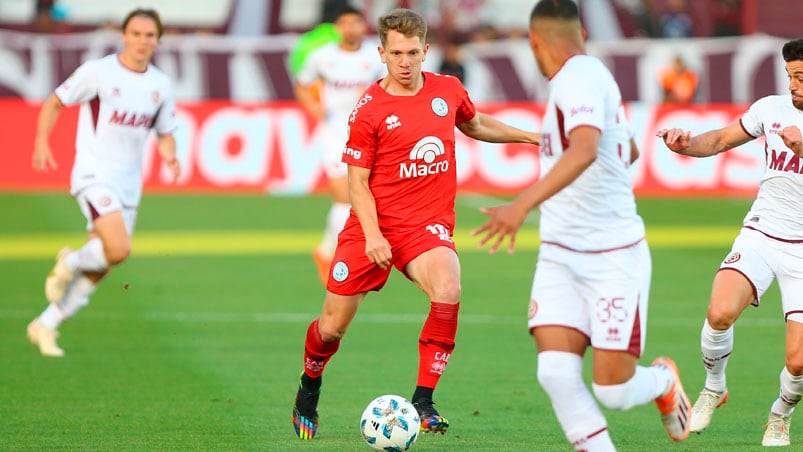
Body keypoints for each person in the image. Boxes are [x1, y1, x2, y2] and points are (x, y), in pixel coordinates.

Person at [291, 8, 539, 440]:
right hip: (372, 226)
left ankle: (423, 400)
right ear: (381, 53)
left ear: (425, 51)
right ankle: (309, 385)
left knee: (449, 289)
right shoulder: (368, 109)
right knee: (331, 329)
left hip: (425, 226)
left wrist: (533, 137)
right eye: (395, 53)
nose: (404, 62)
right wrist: (371, 235)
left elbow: (474, 123)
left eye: (412, 53)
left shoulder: (447, 90)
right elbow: (357, 183)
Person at [472, 1, 691, 449]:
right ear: (583, 34)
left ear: (533, 41)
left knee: (613, 390)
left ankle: (662, 381)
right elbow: (624, 150)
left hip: (611, 257)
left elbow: (586, 148)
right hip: (558, 254)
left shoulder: (578, 79)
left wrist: (521, 205)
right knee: (554, 372)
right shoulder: (591, 77)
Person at [656, 38, 803, 447]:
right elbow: (720, 140)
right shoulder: (770, 109)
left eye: (802, 78)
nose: (793, 86)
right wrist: (688, 146)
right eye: (791, 76)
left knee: (799, 360)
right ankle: (714, 387)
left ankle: (780, 414)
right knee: (719, 312)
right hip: (761, 231)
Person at [27, 8, 179, 357]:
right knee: (119, 248)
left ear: (158, 40)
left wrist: (170, 154)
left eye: (150, 35)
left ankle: (46, 324)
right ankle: (68, 262)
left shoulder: (160, 85)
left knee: (106, 261)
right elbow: (55, 101)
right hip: (94, 175)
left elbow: (165, 131)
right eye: (136, 34)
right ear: (124, 36)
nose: (142, 41)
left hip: (128, 183)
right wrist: (40, 141)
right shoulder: (99, 72)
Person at [294, 6, 387, 284]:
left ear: (363, 25)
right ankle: (337, 257)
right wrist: (315, 108)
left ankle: (325, 251)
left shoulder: (376, 56)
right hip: (335, 133)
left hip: (369, 133)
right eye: (345, 23)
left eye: (355, 22)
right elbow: (302, 84)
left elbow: (391, 85)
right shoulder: (322, 57)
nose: (350, 28)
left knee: (371, 196)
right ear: (337, 27)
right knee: (344, 198)